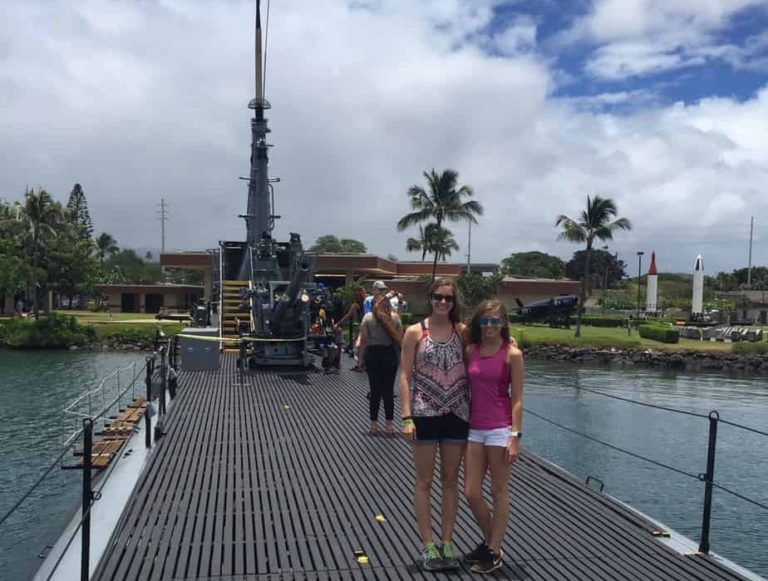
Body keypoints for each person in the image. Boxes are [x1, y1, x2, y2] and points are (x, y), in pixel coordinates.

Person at [399, 277, 469, 571]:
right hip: (424, 413)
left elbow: (492, 342)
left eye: (448, 299)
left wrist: (510, 341)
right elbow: (404, 375)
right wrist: (406, 416)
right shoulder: (415, 332)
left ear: (455, 302)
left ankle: (448, 541)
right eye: (438, 297)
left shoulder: (463, 332)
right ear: (431, 298)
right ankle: (428, 544)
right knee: (424, 482)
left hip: (457, 413)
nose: (443, 302)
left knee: (451, 481)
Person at [463, 299, 524, 574]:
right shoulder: (471, 350)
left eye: (495, 321)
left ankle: (494, 549)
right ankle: (492, 543)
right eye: (484, 321)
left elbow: (518, 399)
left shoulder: (512, 354)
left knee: (499, 491)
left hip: (500, 429)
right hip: (475, 428)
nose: (489, 326)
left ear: (503, 323)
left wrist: (515, 436)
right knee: (472, 492)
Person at [358, 295, 403, 436]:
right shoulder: (395, 318)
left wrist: (360, 359)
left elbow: (363, 341)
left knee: (375, 391)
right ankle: (390, 426)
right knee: (389, 391)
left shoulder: (367, 318)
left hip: (373, 355)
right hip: (389, 355)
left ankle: (374, 425)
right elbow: (400, 338)